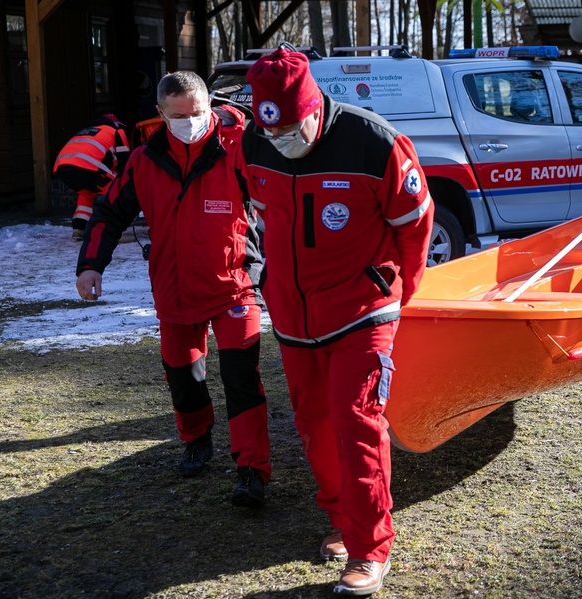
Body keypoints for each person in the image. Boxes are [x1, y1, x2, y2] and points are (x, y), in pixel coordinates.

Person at [242, 45, 434, 595]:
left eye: (292, 130)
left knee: (357, 421)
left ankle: (371, 548)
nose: (282, 143)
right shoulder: (256, 141)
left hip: (362, 308)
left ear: (314, 107)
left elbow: (416, 225)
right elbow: (259, 216)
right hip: (293, 314)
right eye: (271, 133)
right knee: (314, 421)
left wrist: (401, 289)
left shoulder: (375, 143)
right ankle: (342, 521)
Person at [75, 72, 271, 508]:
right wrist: (90, 265)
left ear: (209, 106)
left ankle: (251, 470)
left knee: (241, 376)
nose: (190, 122)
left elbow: (278, 205)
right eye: (179, 115)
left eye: (197, 113)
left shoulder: (237, 148)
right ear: (161, 114)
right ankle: (197, 439)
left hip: (233, 284)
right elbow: (108, 212)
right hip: (174, 288)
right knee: (183, 374)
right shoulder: (145, 161)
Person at [53, 114, 130, 239]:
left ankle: (79, 229)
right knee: (116, 189)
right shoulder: (117, 131)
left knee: (86, 193)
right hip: (88, 165)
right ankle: (113, 230)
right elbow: (125, 161)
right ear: (116, 124)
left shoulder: (85, 131)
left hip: (62, 167)